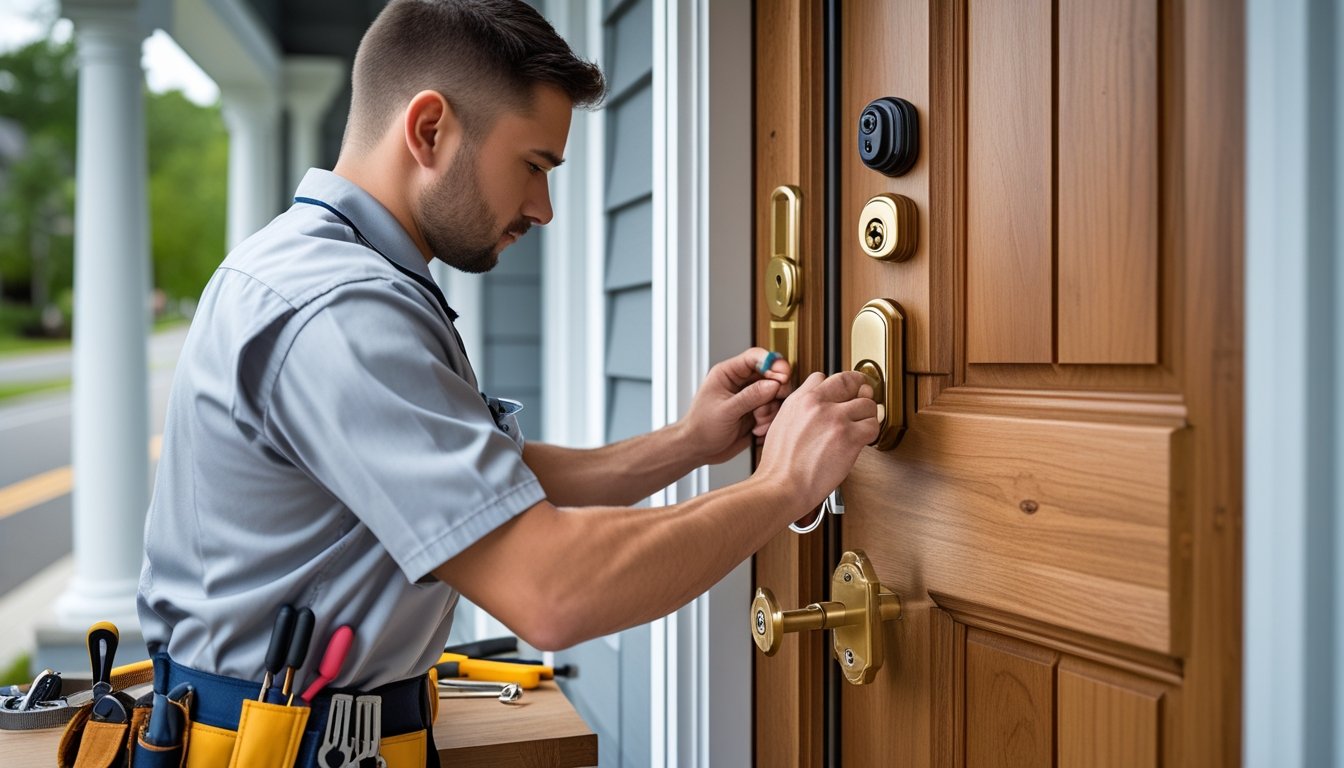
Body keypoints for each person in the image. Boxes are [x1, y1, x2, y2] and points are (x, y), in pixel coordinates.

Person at [136, 0, 876, 746]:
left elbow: (483, 487)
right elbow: (554, 592)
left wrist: (688, 442)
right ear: (430, 130)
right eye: (533, 166)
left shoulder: (337, 274)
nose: (543, 208)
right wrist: (783, 484)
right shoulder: (338, 310)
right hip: (267, 747)